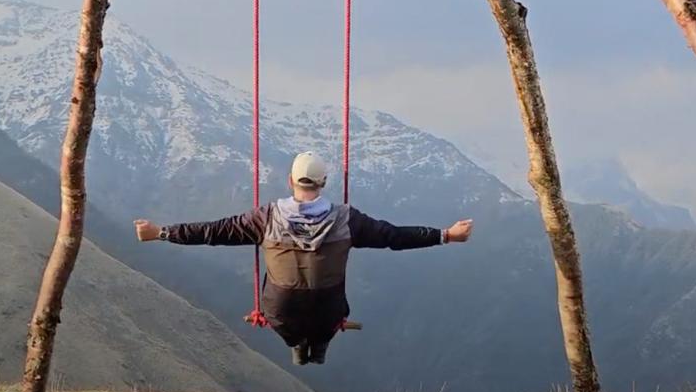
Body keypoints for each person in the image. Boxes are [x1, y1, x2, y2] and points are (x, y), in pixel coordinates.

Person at [135, 151, 474, 366]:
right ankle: (321, 342)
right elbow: (394, 236)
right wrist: (446, 234)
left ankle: (295, 342)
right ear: (324, 182)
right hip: (328, 308)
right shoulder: (346, 220)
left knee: (281, 311)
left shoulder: (265, 219)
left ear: (290, 181)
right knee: (332, 308)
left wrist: (161, 232)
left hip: (281, 308)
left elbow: (212, 232)